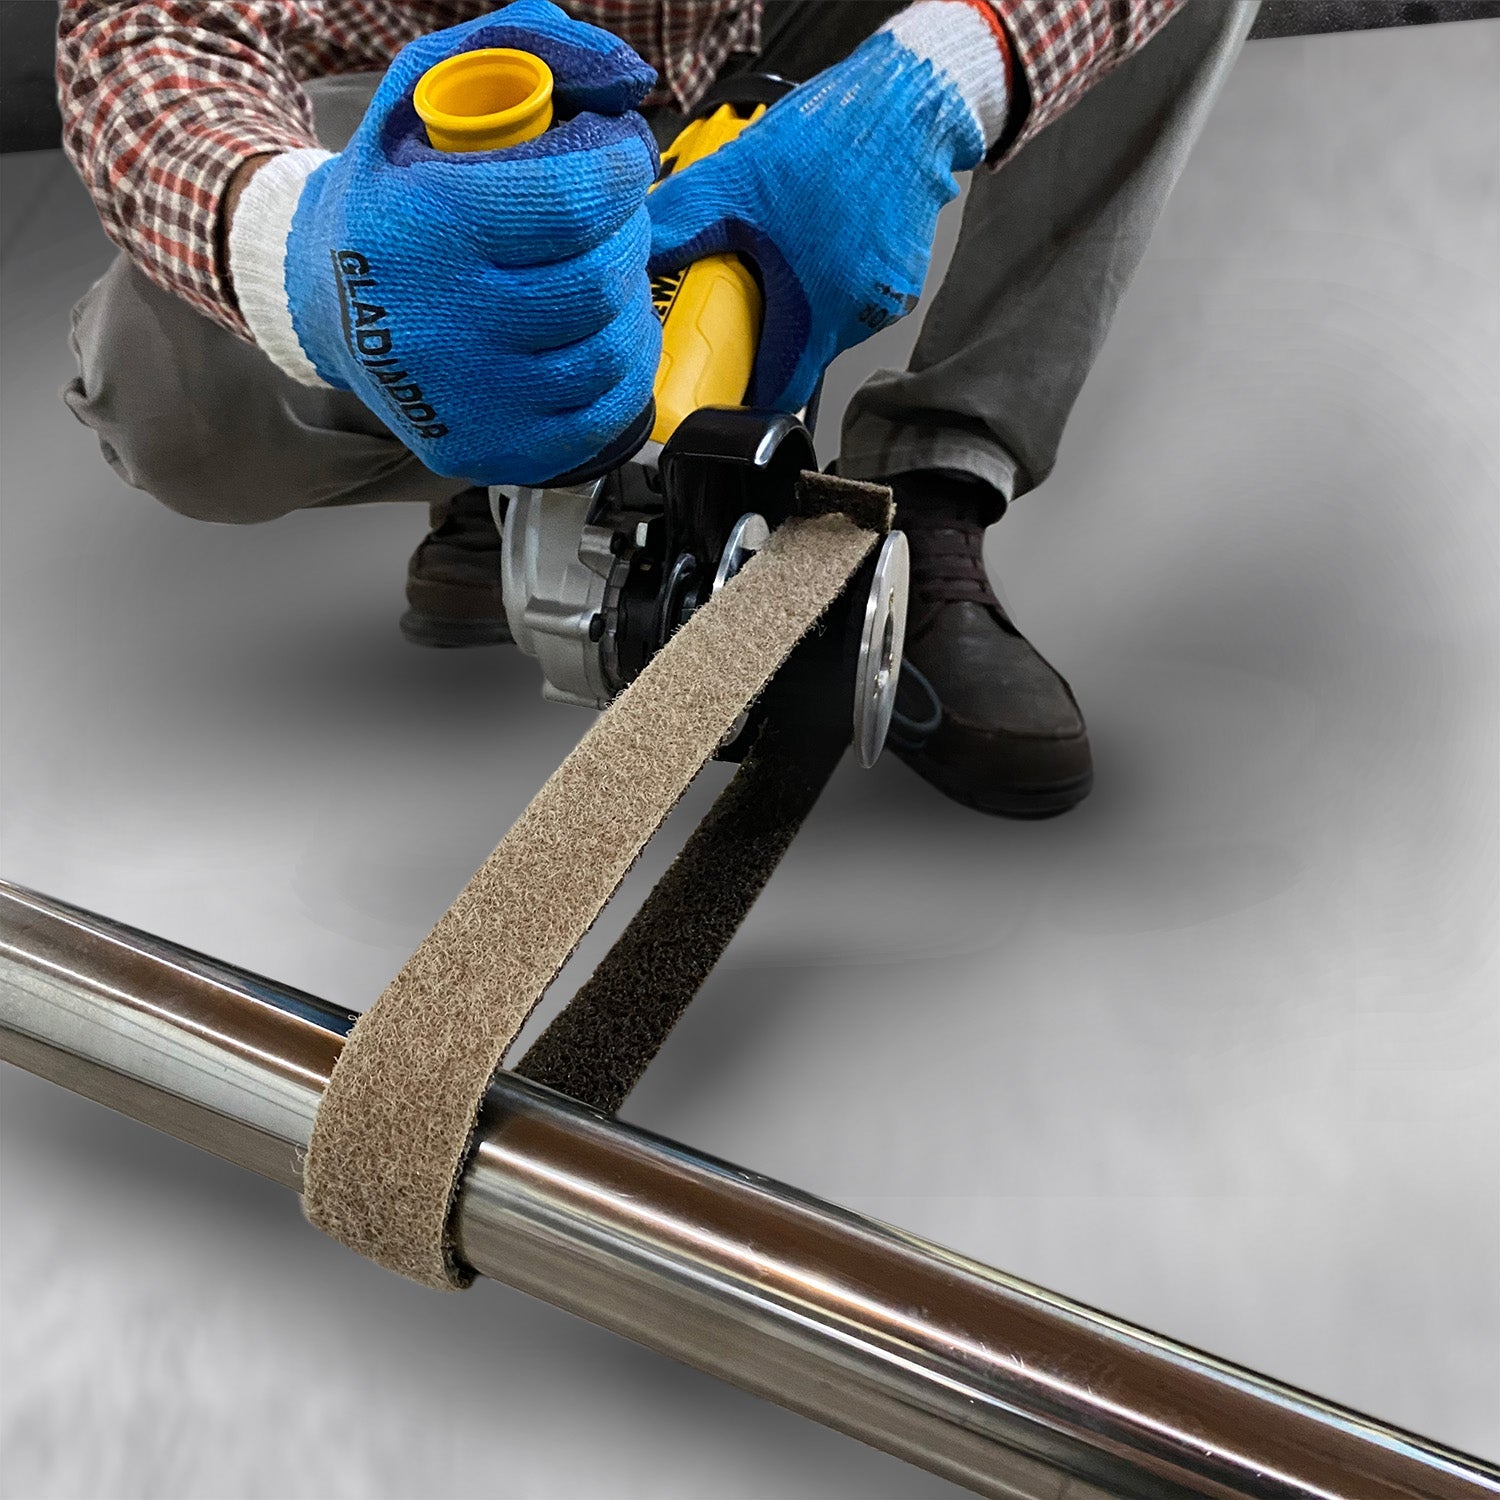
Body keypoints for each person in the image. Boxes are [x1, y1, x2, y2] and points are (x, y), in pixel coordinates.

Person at [57, 0, 1258, 818]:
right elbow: (146, 24)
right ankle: (502, 454)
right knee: (159, 386)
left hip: (812, 30)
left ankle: (932, 480)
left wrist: (943, 79)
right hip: (508, 89)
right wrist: (297, 249)